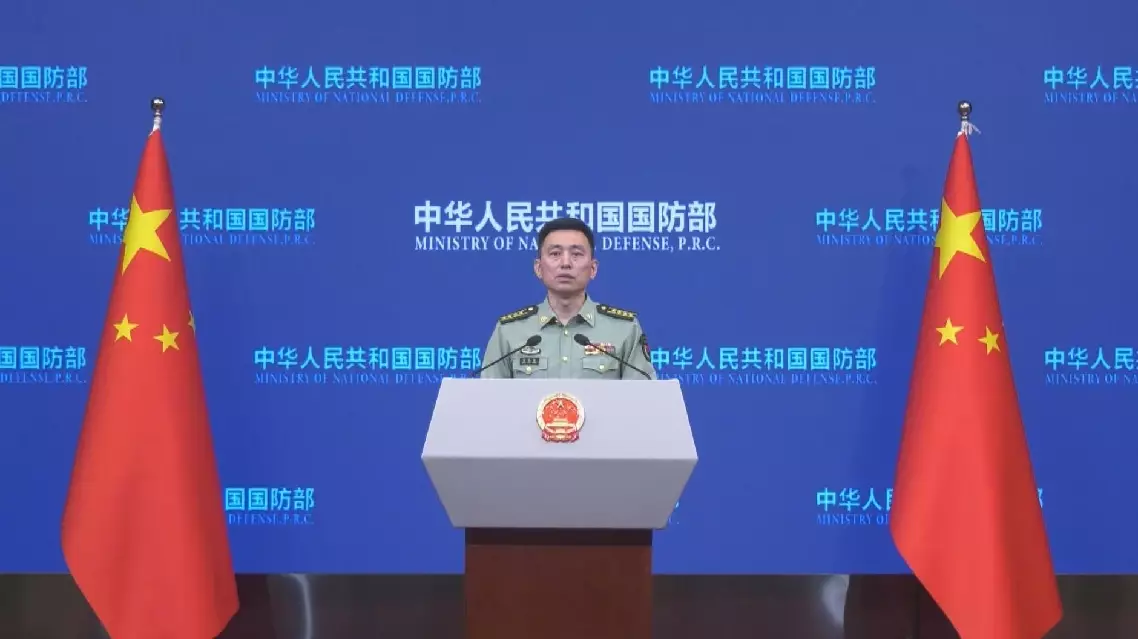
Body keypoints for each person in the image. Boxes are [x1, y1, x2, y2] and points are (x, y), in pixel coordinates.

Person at [479, 217, 657, 380]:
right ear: (538, 268)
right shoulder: (509, 331)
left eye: (576, 254)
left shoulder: (624, 329)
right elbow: (488, 399)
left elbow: (644, 399)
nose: (565, 263)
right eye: (555, 254)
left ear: (593, 268)